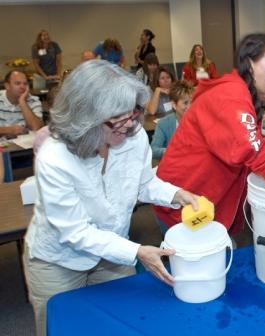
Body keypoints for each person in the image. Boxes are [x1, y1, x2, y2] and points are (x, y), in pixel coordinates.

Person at [22, 60, 199, 336]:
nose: (129, 124)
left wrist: (176, 194)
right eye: (118, 117)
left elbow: (143, 183)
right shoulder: (55, 158)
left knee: (122, 322)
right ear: (84, 116)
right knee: (62, 326)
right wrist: (136, 252)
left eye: (133, 113)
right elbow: (76, 232)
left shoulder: (132, 135)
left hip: (113, 253)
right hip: (59, 261)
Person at [154, 33, 265, 235]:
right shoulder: (231, 94)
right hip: (184, 203)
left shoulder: (243, 95)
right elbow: (252, 148)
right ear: (250, 63)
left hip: (204, 202)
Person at [150, 80, 193, 160]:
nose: (190, 107)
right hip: (174, 165)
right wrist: (172, 151)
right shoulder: (163, 124)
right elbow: (153, 150)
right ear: (174, 105)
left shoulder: (200, 121)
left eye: (192, 102)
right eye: (185, 103)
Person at [0, 70, 43, 137]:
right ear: (7, 86)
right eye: (17, 83)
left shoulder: (33, 100)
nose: (22, 87)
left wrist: (22, 101)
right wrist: (7, 130)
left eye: (25, 84)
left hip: (25, 146)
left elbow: (36, 128)